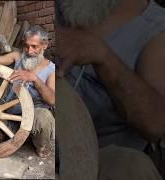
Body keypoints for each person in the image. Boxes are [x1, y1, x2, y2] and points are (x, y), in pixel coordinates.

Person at [55, 0, 165, 179]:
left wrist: (102, 56)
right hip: (31, 131)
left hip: (97, 157)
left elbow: (155, 125)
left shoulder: (155, 28)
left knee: (131, 167)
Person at [0, 25, 55, 158]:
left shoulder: (51, 70)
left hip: (34, 118)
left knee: (44, 117)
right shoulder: (17, 57)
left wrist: (35, 79)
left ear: (45, 45)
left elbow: (51, 99)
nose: (29, 51)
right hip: (8, 116)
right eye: (26, 46)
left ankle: (41, 146)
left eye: (34, 46)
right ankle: (14, 137)